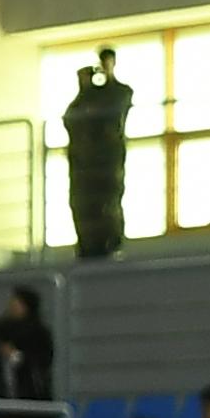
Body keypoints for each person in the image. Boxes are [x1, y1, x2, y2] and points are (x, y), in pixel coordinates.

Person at [63, 49, 136, 260]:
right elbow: (71, 119)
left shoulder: (120, 92)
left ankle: (110, 244)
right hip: (84, 167)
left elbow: (120, 105)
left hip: (107, 163)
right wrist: (83, 90)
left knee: (107, 206)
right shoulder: (85, 99)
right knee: (83, 206)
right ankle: (87, 244)